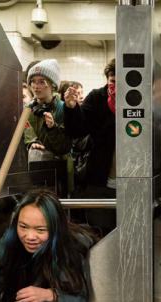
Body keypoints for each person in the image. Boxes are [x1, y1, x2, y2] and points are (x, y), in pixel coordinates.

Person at [63, 60, 116, 237]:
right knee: (100, 232)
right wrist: (71, 108)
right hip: (101, 179)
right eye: (112, 81)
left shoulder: (142, 98)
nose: (115, 86)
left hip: (136, 180)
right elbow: (77, 130)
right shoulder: (98, 97)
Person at [25, 59, 73, 195]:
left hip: (59, 176)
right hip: (34, 175)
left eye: (42, 81)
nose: (36, 86)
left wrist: (52, 128)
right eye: (32, 81)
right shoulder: (26, 111)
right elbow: (24, 135)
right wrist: (32, 143)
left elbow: (64, 147)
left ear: (53, 85)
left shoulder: (64, 110)